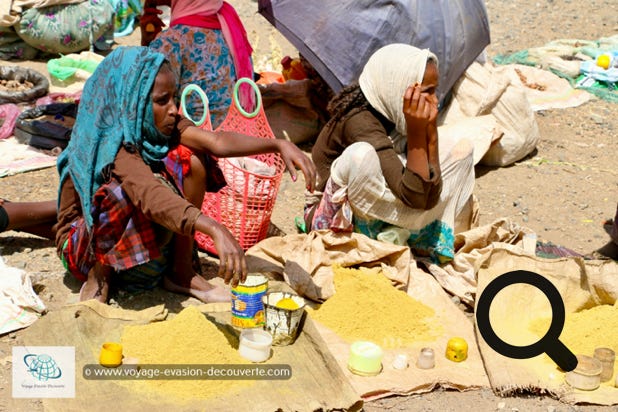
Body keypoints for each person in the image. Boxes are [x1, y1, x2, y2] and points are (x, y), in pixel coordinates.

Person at [55, 46, 316, 304]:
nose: (174, 109)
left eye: (174, 98)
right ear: (131, 101)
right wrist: (214, 228)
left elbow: (216, 141)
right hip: (84, 248)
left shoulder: (153, 124)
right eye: (161, 100)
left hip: (135, 248)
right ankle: (100, 276)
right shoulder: (112, 145)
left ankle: (181, 272)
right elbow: (151, 195)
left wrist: (277, 145)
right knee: (117, 191)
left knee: (192, 158)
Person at [304, 43, 475, 264]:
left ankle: (413, 236)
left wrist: (430, 132)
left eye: (435, 91)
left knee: (462, 150)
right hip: (334, 218)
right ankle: (367, 241)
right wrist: (416, 132)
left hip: (386, 195)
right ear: (397, 87)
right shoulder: (359, 121)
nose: (435, 101)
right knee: (361, 155)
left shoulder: (394, 114)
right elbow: (414, 196)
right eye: (426, 93)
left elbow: (428, 195)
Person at [148, 0, 254, 128]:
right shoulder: (229, 25)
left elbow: (149, 99)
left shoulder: (171, 41)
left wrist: (149, 43)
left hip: (198, 141)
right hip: (239, 135)